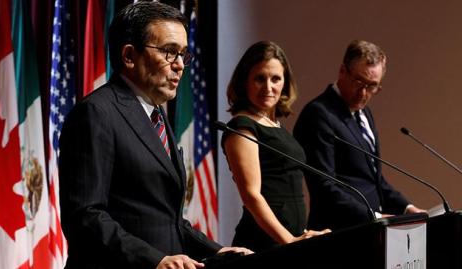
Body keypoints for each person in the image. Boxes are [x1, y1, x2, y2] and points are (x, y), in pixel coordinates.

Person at [59, 2, 251, 269]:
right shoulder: (96, 113)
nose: (180, 65)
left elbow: (167, 219)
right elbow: (85, 216)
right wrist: (154, 260)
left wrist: (218, 251)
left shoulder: (156, 115)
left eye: (184, 54)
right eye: (170, 52)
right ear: (129, 56)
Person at [293, 40, 425, 231]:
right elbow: (324, 185)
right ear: (342, 71)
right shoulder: (319, 114)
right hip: (340, 232)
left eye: (372, 86)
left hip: (370, 232)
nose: (363, 93)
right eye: (358, 82)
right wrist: (374, 216)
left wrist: (407, 208)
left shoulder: (364, 113)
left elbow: (373, 179)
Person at [221, 41, 330, 252]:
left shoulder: (274, 125)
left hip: (289, 238)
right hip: (264, 243)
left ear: (285, 82)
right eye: (260, 78)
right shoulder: (242, 127)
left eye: (276, 79)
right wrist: (288, 240)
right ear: (245, 81)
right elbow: (252, 195)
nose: (268, 87)